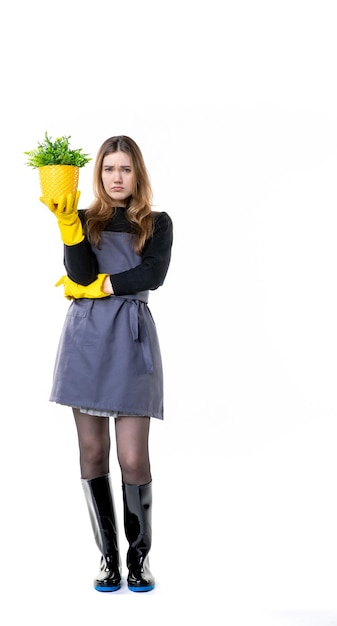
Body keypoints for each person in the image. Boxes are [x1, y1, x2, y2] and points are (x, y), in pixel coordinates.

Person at [41, 135, 173, 593]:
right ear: (98, 174)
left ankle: (139, 559)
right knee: (93, 452)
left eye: (126, 169)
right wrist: (68, 229)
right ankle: (109, 560)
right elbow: (78, 275)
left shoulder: (156, 222)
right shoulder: (82, 219)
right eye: (109, 169)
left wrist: (105, 286)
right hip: (86, 340)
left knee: (133, 458)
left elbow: (152, 274)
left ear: (138, 174)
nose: (117, 178)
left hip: (132, 339)